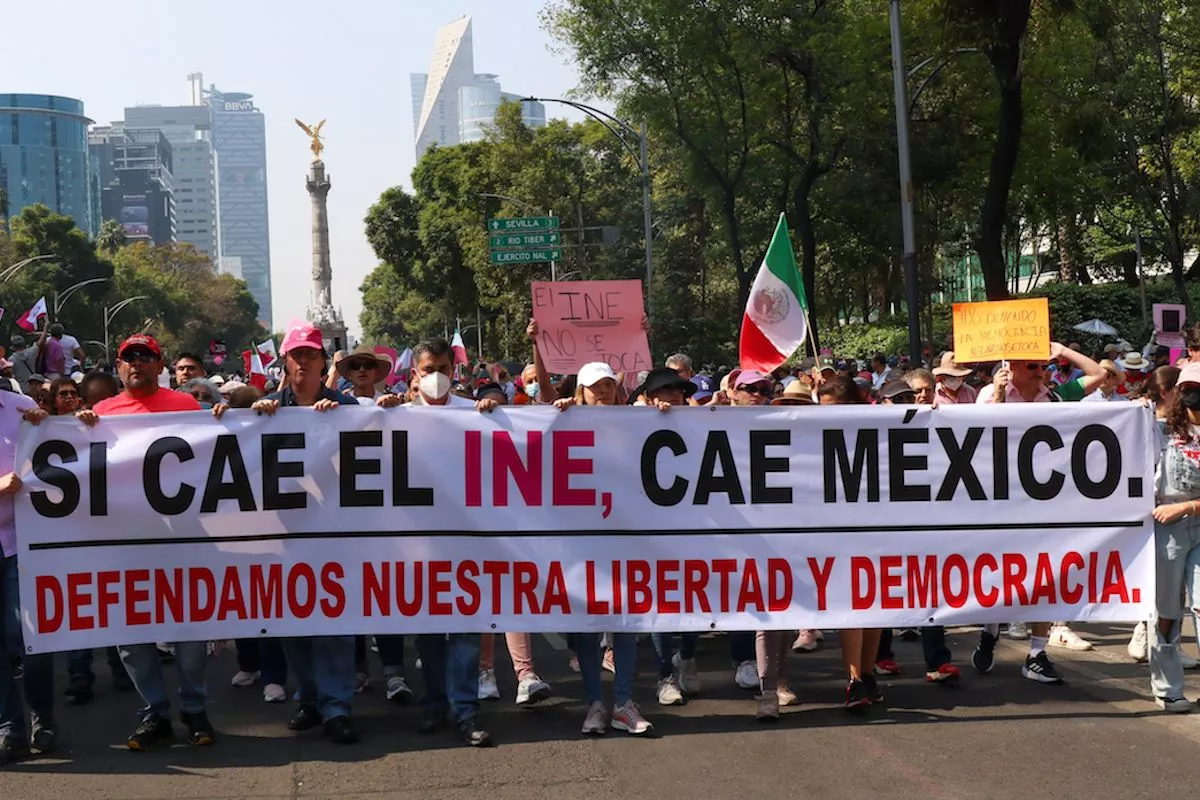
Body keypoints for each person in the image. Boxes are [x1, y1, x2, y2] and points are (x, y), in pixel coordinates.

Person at [72, 334, 214, 750]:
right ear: (119, 367)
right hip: (124, 540)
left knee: (190, 632)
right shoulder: (101, 413)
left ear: (160, 364)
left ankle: (194, 709)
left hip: (183, 537)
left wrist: (225, 416)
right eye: (128, 357)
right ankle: (155, 713)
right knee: (131, 637)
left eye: (145, 356)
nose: (137, 363)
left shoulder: (187, 407)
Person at [233, 323, 361, 745]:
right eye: (296, 355)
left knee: (337, 627)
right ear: (284, 362)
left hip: (336, 534)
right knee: (293, 623)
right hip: (283, 535)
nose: (304, 362)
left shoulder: (348, 407)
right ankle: (309, 698)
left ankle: (338, 706)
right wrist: (236, 420)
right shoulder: (267, 411)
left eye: (311, 355)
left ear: (324, 361)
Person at [972, 342, 1107, 682]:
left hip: (1046, 500)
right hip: (999, 500)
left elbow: (1099, 374)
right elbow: (979, 437)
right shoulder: (990, 392)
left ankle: (1036, 652)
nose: (1041, 371)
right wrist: (1000, 396)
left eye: (1044, 364)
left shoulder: (1057, 396)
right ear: (1012, 366)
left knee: (1045, 574)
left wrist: (1062, 349)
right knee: (1003, 571)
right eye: (1032, 366)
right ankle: (990, 628)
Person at [403, 338, 498, 747]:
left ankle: (465, 711)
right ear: (415, 374)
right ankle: (434, 703)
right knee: (427, 634)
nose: (436, 376)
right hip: (419, 546)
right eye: (428, 369)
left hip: (467, 543)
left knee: (464, 633)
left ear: (453, 370)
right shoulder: (397, 417)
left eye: (443, 367)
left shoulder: (474, 414)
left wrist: (498, 417)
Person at [552, 362, 651, 734]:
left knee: (624, 622)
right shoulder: (563, 420)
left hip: (625, 537)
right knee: (589, 625)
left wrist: (664, 415)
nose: (603, 391)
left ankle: (623, 702)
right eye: (595, 386)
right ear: (580, 391)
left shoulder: (636, 423)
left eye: (609, 384)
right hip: (581, 540)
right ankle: (595, 702)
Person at [817, 376, 885, 708]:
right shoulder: (811, 434)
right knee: (852, 604)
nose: (827, 416)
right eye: (823, 409)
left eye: (835, 409)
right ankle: (855, 679)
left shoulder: (876, 429)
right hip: (835, 528)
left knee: (877, 606)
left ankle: (868, 674)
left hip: (875, 524)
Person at [0, 391, 56, 763]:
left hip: (23, 540)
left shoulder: (20, 408)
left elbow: (60, 461)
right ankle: (9, 727)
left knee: (32, 636)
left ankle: (43, 718)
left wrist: (49, 427)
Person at [1147, 362, 1200, 712]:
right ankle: (1167, 688)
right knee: (1167, 610)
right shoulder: (1156, 429)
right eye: (1188, 387)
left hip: (1193, 519)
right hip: (1163, 528)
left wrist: (1188, 508)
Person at [335, 344, 401, 408]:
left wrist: (394, 408)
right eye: (355, 366)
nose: (362, 369)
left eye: (368, 365)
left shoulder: (388, 403)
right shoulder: (339, 404)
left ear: (376, 372)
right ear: (349, 374)